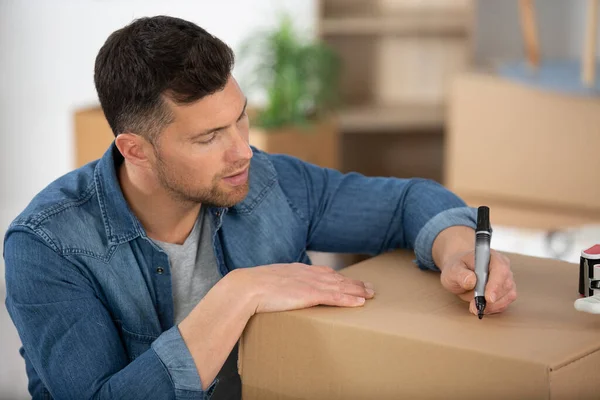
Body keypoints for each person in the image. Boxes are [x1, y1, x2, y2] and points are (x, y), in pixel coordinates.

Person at [3, 15, 517, 400]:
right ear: (135, 149)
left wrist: (456, 250)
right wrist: (237, 294)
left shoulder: (266, 180)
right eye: (209, 137)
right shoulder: (47, 247)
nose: (243, 150)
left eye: (241, 119)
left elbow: (406, 201)